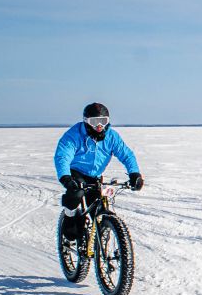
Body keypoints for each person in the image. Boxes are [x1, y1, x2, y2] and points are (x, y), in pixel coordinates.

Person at [55, 103, 143, 243]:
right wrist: (66, 177)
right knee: (77, 193)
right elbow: (63, 156)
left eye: (103, 121)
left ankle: (100, 239)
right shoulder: (74, 135)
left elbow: (126, 155)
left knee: (99, 206)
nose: (99, 126)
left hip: (95, 175)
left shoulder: (111, 136)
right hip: (75, 172)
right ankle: (70, 216)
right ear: (86, 121)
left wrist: (134, 174)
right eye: (94, 122)